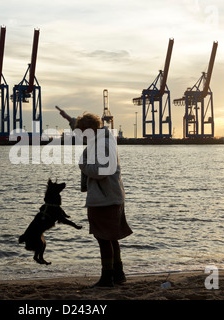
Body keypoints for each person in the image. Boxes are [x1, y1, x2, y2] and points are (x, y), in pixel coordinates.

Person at [57, 106, 132, 287]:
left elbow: (102, 171)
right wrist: (68, 118)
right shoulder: (101, 138)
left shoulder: (102, 145)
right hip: (111, 196)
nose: (80, 137)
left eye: (82, 133)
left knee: (103, 238)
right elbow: (78, 125)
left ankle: (107, 277)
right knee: (110, 236)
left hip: (104, 198)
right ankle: (118, 273)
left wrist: (83, 165)